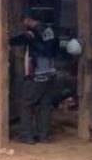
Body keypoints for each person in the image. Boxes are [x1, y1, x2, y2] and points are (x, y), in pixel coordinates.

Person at [10, 10, 60, 144]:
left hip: (38, 73)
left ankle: (26, 135)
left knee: (27, 103)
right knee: (45, 104)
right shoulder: (50, 31)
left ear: (28, 20)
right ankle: (43, 135)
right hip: (51, 72)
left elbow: (13, 41)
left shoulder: (33, 33)